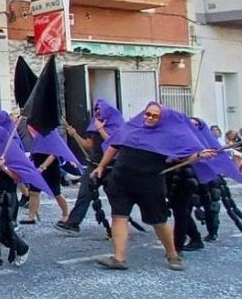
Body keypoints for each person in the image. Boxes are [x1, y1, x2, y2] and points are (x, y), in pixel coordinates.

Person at [92, 103, 215, 271]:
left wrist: (199, 155)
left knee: (159, 221)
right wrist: (101, 166)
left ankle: (172, 255)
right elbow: (113, 146)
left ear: (162, 118)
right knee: (119, 217)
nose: (149, 117)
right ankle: (119, 258)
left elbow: (183, 157)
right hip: (121, 181)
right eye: (147, 114)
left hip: (149, 184)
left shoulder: (169, 136)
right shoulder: (131, 128)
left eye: (154, 116)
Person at [0, 124, 49, 271]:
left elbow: (18, 177)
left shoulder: (9, 150)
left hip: (4, 194)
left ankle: (22, 248)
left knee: (3, 228)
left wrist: (4, 167)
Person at [55, 99, 124, 235]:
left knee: (114, 197)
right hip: (94, 164)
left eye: (100, 109)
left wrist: (100, 128)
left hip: (112, 166)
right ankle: (73, 224)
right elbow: (88, 145)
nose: (97, 112)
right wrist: (74, 135)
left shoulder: (117, 125)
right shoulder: (94, 125)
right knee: (84, 194)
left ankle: (117, 227)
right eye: (96, 109)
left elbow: (113, 144)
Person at [23, 126, 78, 225]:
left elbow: (54, 153)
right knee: (34, 192)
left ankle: (66, 214)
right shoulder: (38, 136)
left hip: (50, 167)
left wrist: (43, 166)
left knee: (56, 192)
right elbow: (36, 149)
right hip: (37, 164)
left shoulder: (51, 134)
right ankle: (31, 216)